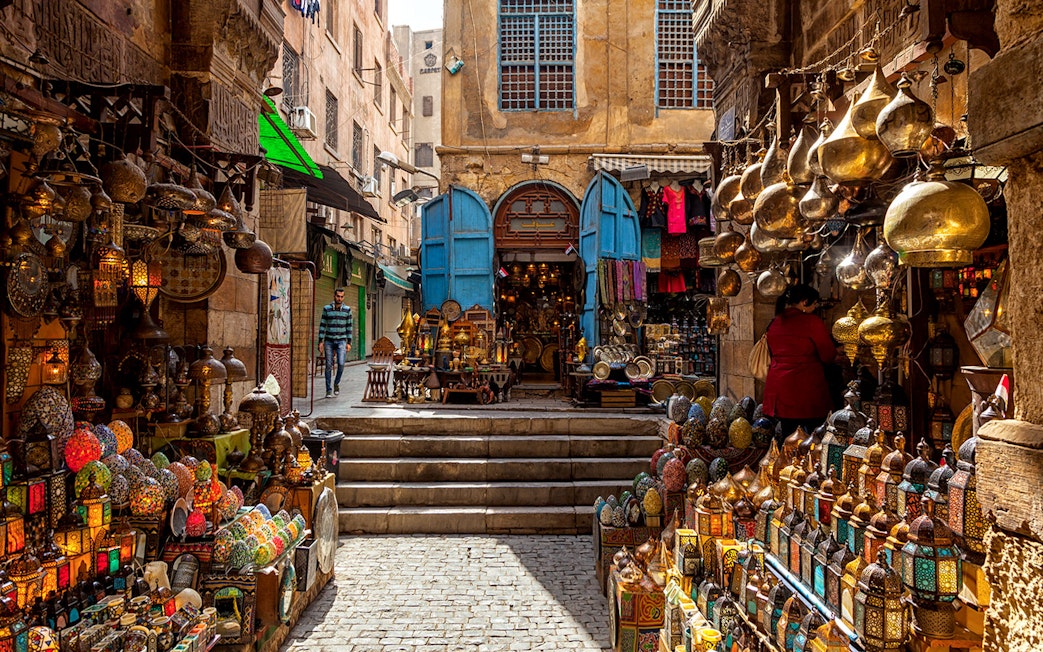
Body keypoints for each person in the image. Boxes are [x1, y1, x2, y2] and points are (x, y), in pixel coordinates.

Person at [762, 284, 837, 444]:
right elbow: (828, 355)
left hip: (780, 389)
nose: (815, 307)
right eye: (814, 303)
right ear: (804, 302)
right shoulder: (811, 322)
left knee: (788, 437)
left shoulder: (775, 322)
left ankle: (786, 466)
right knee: (814, 438)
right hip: (805, 389)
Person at [317, 287, 352, 399]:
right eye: (338, 296)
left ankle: (336, 383)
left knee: (341, 364)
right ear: (334, 296)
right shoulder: (326, 309)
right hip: (329, 340)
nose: (339, 298)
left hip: (341, 340)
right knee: (328, 365)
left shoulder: (347, 310)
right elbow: (322, 325)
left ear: (344, 297)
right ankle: (328, 390)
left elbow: (349, 327)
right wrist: (320, 341)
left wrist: (349, 342)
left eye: (341, 297)